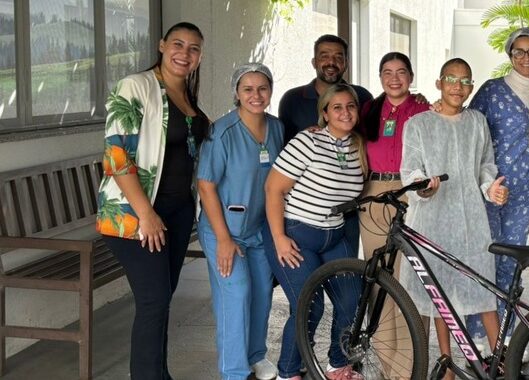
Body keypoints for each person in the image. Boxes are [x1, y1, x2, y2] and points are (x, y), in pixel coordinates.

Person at [97, 21, 209, 379]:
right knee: (153, 300)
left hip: (176, 214)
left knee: (161, 302)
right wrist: (145, 214)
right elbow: (117, 156)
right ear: (162, 46)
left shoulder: (185, 95)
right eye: (178, 44)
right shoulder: (136, 86)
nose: (184, 53)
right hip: (137, 214)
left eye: (193, 48)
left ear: (199, 56)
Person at [399, 58, 509, 380]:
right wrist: (424, 186)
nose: (457, 86)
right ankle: (446, 364)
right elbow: (411, 168)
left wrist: (492, 190)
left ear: (471, 88)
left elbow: (486, 166)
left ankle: (499, 359)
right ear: (439, 83)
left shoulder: (477, 122)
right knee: (439, 291)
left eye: (464, 81)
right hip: (431, 220)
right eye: (451, 79)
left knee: (483, 288)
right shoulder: (418, 124)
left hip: (472, 218)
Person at [264, 84, 367, 380]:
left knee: (351, 301)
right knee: (310, 304)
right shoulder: (307, 141)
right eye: (337, 107)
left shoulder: (357, 146)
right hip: (296, 234)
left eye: (350, 106)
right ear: (324, 113)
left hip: (334, 235)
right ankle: (288, 371)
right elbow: (273, 188)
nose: (345, 112)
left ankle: (338, 363)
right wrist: (279, 238)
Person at [195, 63, 282, 380]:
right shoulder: (222, 132)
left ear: (270, 91)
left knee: (261, 291)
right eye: (248, 89)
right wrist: (224, 240)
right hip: (224, 230)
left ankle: (255, 355)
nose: (256, 95)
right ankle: (234, 371)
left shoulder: (277, 128)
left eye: (262, 88)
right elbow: (206, 185)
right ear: (237, 93)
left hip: (259, 230)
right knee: (237, 292)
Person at [466, 26, 529, 342]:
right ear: (510, 55)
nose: (526, 57)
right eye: (519, 51)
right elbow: (467, 128)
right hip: (490, 190)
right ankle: (480, 338)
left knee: (512, 266)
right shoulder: (492, 90)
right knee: (485, 261)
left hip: (524, 193)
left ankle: (507, 338)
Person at [357, 51, 430, 377]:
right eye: (387, 72)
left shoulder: (423, 109)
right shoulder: (369, 109)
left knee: (411, 280)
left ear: (411, 76)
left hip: (410, 194)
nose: (394, 78)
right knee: (380, 281)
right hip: (373, 195)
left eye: (401, 71)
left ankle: (414, 366)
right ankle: (389, 368)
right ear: (380, 76)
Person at [278, 34, 373, 144]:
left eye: (338, 57)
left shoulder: (362, 96)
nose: (331, 62)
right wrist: (304, 137)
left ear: (346, 64)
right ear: (314, 63)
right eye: (324, 56)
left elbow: (371, 140)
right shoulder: (292, 99)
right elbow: (284, 145)